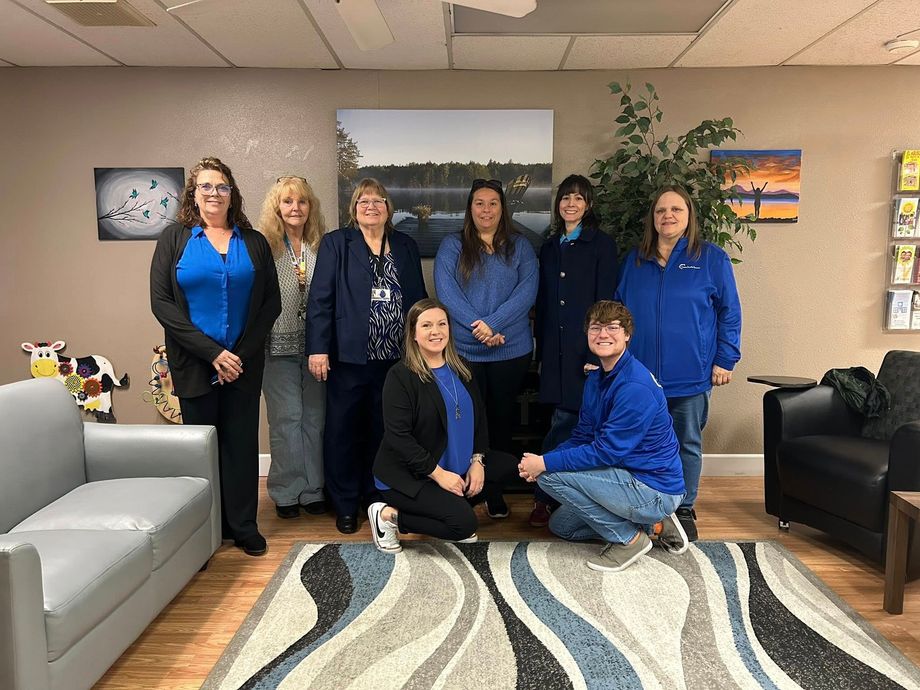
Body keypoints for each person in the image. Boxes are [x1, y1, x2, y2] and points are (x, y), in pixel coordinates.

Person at [150, 156, 281, 557]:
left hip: (243, 364)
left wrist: (236, 356)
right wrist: (212, 354)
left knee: (241, 447)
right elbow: (162, 304)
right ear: (193, 193)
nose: (213, 193)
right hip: (193, 362)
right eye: (205, 187)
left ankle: (243, 527)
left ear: (232, 193)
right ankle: (205, 532)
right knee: (202, 448)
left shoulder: (253, 241)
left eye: (221, 186)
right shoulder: (175, 239)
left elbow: (270, 304)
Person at [518, 301, 688, 573]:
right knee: (562, 527)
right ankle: (654, 524)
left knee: (549, 476)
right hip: (623, 474)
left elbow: (606, 452)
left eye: (612, 328)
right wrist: (544, 459)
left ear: (627, 335)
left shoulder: (634, 386)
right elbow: (583, 435)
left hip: (652, 486)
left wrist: (544, 466)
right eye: (596, 328)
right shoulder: (597, 379)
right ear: (587, 334)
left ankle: (630, 539)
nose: (603, 335)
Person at [615, 185, 742, 542]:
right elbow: (618, 311)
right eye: (660, 211)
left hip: (691, 374)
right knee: (637, 440)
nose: (667, 216)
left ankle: (683, 507)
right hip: (638, 376)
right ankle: (642, 505)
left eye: (676, 210)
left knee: (686, 441)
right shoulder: (634, 261)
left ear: (689, 217)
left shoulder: (711, 258)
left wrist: (725, 358)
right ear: (652, 218)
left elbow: (729, 313)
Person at [306, 178, 427, 535]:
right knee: (343, 432)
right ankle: (344, 504)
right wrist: (318, 348)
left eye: (378, 200)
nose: (371, 206)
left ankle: (375, 498)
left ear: (389, 209)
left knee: (384, 432)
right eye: (363, 201)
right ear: (353, 209)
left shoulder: (405, 245)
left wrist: (419, 351)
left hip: (394, 360)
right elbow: (320, 299)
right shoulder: (336, 244)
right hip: (348, 358)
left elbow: (418, 299)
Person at [369, 298, 518, 552]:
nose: (435, 331)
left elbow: (480, 419)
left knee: (509, 466)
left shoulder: (461, 368)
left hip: (455, 469)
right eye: (426, 325)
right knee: (464, 526)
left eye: (441, 324)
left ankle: (449, 506)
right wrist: (438, 475)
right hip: (412, 475)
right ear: (413, 334)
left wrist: (477, 461)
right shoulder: (401, 376)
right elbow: (398, 438)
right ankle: (387, 517)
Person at [434, 178, 538, 519]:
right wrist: (481, 328)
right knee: (467, 423)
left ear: (502, 208)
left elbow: (527, 291)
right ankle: (466, 492)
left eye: (493, 203)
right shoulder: (452, 246)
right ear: (470, 208)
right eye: (479, 203)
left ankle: (495, 492)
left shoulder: (520, 246)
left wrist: (494, 324)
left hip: (512, 350)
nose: (486, 210)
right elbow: (446, 292)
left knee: (502, 422)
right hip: (465, 352)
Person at [532, 174, 619, 528]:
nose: (571, 204)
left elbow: (606, 303)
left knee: (573, 423)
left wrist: (595, 355)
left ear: (589, 205)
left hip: (586, 353)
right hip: (553, 351)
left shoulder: (601, 244)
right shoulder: (550, 246)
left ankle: (548, 496)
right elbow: (543, 301)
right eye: (566, 198)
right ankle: (551, 496)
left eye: (578, 198)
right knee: (560, 420)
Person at [257, 176, 327, 520]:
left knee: (314, 419)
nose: (295, 208)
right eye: (287, 202)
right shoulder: (265, 246)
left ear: (309, 207)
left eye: (301, 202)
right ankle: (286, 491)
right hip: (277, 346)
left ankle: (314, 489)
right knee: (286, 420)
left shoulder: (322, 246)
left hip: (317, 349)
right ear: (277, 207)